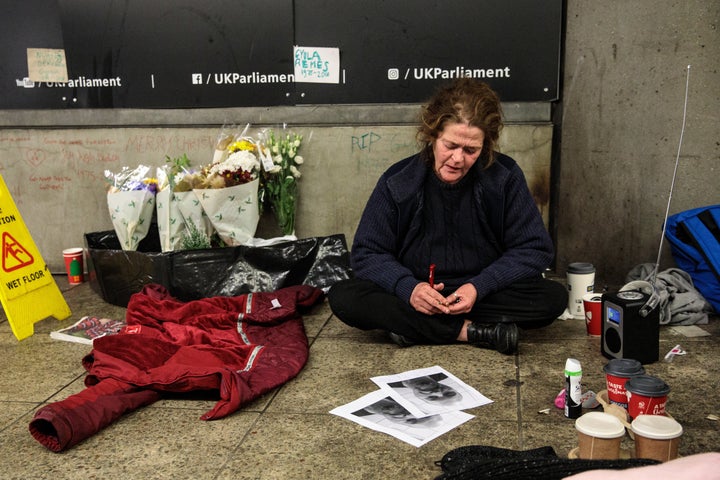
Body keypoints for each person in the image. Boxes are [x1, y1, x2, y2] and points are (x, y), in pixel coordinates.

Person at [327, 78, 567, 354]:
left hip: (479, 293)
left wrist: (479, 286)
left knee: (552, 298)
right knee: (344, 297)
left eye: (470, 150)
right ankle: (471, 331)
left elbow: (534, 248)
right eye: (450, 145)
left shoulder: (504, 178)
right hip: (417, 290)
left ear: (485, 147)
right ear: (432, 135)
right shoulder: (399, 181)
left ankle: (415, 328)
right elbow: (367, 253)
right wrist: (409, 288)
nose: (457, 159)